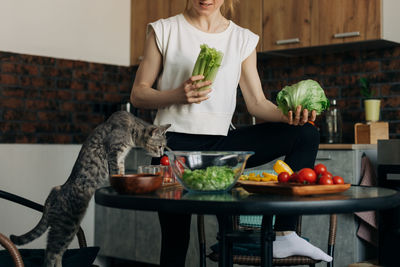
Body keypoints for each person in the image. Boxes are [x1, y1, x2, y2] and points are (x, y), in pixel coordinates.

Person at [130, 0, 333, 266]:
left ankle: (284, 233)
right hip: (174, 149)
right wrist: (177, 95)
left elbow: (257, 104)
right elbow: (138, 93)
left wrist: (288, 115)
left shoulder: (242, 38)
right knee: (174, 245)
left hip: (222, 148)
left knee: (305, 133)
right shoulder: (164, 30)